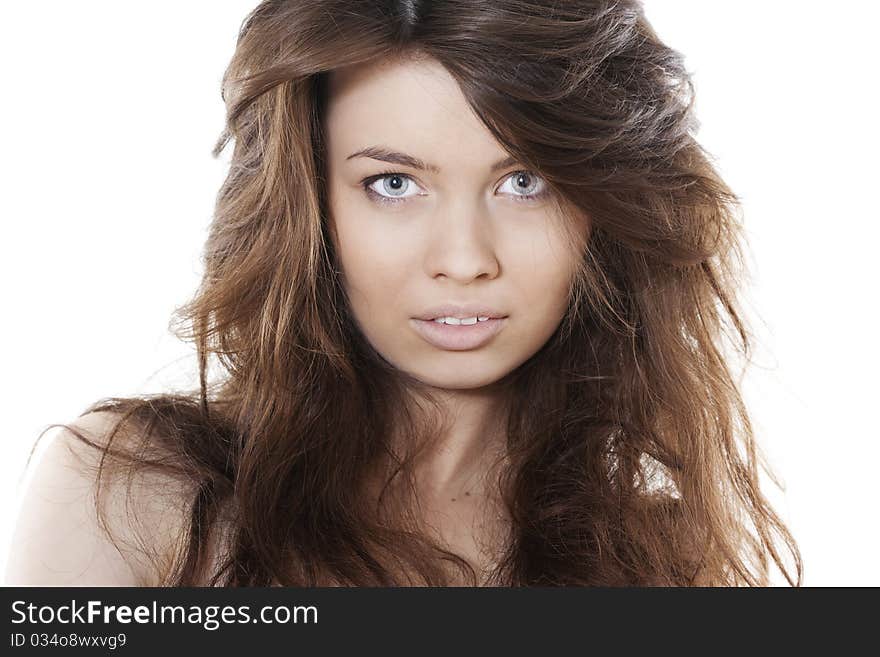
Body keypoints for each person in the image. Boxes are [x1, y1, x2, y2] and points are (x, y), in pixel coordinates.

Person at [5, 0, 802, 587]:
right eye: (393, 183)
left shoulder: (662, 564)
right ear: (308, 203)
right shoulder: (133, 497)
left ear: (601, 206)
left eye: (524, 182)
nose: (463, 259)